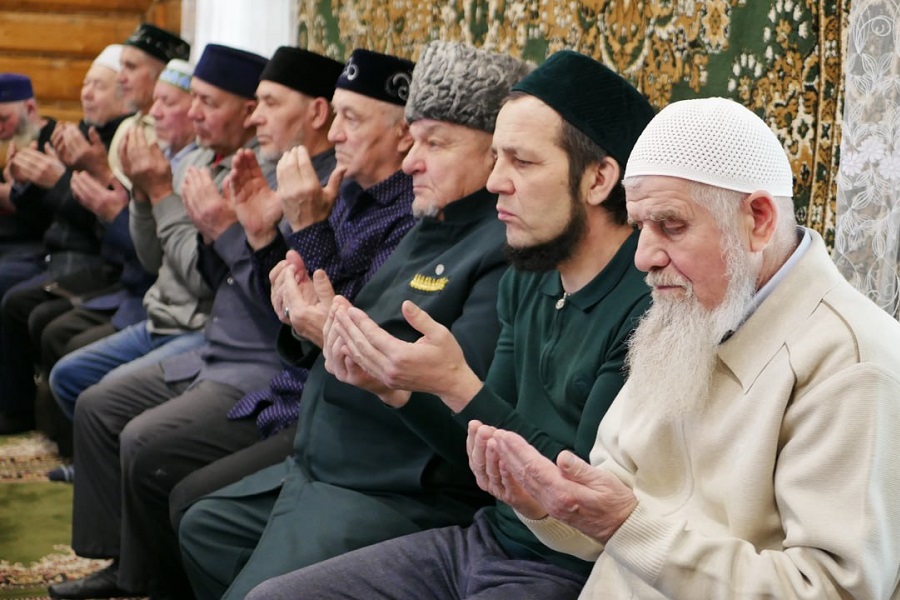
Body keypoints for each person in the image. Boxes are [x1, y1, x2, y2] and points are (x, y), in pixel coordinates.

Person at [242, 48, 656, 600]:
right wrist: (396, 388)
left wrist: (456, 385)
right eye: (497, 159)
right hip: (485, 538)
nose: (496, 182)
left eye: (522, 162)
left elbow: (577, 495)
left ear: (599, 178)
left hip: (566, 568)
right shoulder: (529, 279)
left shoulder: (646, 308)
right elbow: (475, 455)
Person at [467, 97, 900, 599]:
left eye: (671, 226)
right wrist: (543, 501)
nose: (644, 258)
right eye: (639, 227)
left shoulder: (850, 362)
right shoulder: (686, 315)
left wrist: (625, 525)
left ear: (758, 219)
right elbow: (609, 503)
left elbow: (832, 590)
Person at [177, 42, 530, 600]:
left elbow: (460, 405)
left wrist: (329, 328)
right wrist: (301, 309)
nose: (412, 160)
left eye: (435, 142)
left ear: (497, 154)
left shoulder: (499, 250)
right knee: (204, 529)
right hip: (325, 457)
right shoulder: (431, 222)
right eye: (414, 139)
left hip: (395, 484)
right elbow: (347, 312)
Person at [46, 42, 268, 600]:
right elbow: (151, 256)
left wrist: (160, 192)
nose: (191, 113)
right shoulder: (197, 161)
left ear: (248, 112)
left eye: (206, 102)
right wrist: (147, 197)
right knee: (87, 392)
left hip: (206, 333)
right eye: (189, 101)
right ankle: (118, 558)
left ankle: (133, 570)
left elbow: (201, 278)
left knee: (120, 417)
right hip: (173, 322)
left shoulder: (251, 175)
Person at [169, 47, 417, 529]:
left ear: (404, 134)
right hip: (289, 392)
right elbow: (288, 313)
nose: (336, 133)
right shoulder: (347, 191)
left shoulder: (406, 214)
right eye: (337, 116)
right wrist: (264, 238)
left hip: (332, 410)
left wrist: (306, 227)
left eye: (351, 118)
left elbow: (349, 329)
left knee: (188, 500)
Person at [37, 58, 198, 462]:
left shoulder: (199, 169)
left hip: (170, 311)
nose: (155, 113)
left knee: (66, 346)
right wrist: (129, 195)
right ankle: (88, 464)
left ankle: (94, 467)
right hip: (149, 300)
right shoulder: (160, 154)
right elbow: (146, 253)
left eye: (168, 103)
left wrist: (112, 196)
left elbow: (172, 267)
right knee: (60, 357)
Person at [0, 46, 133, 434]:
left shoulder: (122, 142)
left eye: (98, 86)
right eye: (85, 84)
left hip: (89, 260)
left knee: (20, 302)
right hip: (58, 248)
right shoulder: (81, 135)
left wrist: (54, 180)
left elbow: (98, 222)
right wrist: (28, 185)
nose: (86, 93)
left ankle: (22, 413)